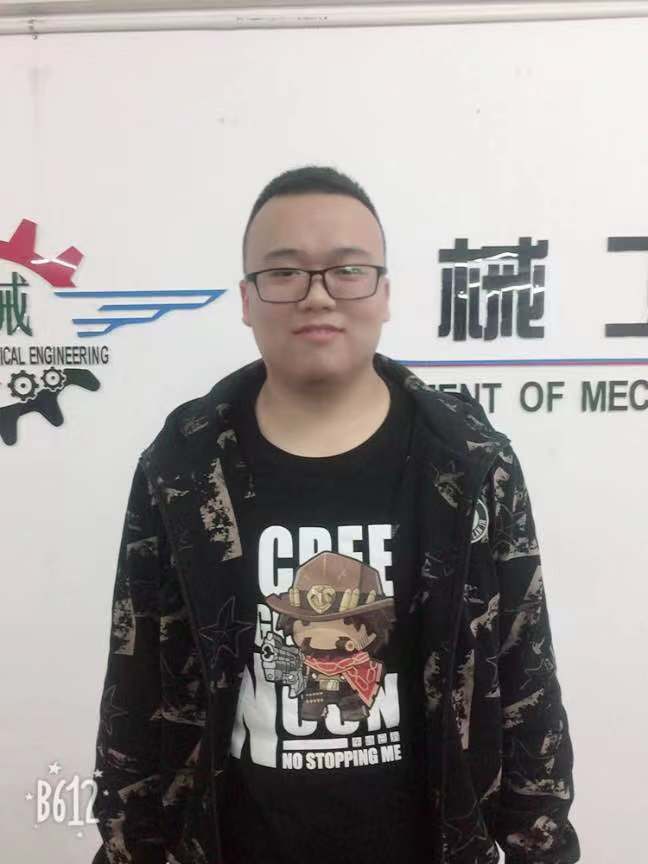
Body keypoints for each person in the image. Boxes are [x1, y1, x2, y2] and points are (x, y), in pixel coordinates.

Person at [92, 165, 581, 864]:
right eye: (284, 272)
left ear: (385, 292)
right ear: (246, 299)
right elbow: (134, 690)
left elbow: (526, 682)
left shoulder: (472, 464)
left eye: (348, 270)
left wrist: (542, 848)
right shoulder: (182, 470)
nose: (317, 294)